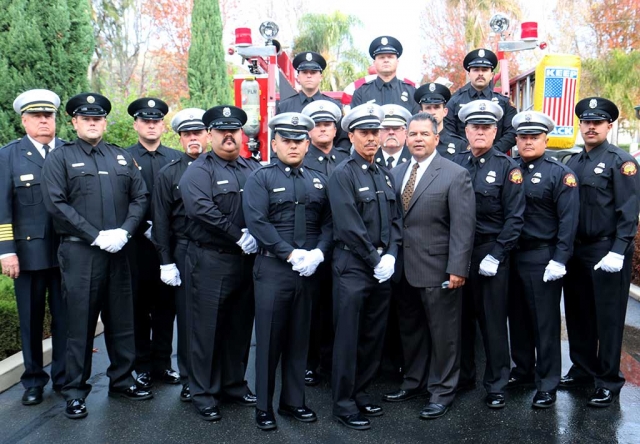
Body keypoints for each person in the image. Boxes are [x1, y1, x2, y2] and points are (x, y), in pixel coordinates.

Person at [41, 93, 151, 419]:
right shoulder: (60, 158)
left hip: (119, 250)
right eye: (86, 118)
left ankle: (122, 379)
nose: (92, 122)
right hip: (80, 251)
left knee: (122, 320)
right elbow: (55, 205)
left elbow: (140, 196)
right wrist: (96, 235)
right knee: (80, 323)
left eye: (98, 118)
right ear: (74, 122)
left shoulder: (119, 158)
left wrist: (125, 232)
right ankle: (75, 390)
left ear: (104, 121)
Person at [244, 112, 333, 431]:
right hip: (273, 268)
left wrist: (319, 253)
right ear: (275, 142)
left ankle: (294, 401)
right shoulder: (261, 177)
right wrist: (289, 252)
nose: (293, 146)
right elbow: (257, 222)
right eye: (287, 140)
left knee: (300, 338)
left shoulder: (319, 179)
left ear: (307, 144)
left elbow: (328, 222)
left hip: (308, 270)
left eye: (299, 140)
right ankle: (264, 407)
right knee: (269, 340)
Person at [384, 112, 475, 419]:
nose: (418, 139)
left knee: (444, 334)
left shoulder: (454, 173)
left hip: (439, 270)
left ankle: (442, 391)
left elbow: (463, 226)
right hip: (404, 271)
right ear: (406, 138)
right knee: (410, 331)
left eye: (425, 134)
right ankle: (414, 382)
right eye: (413, 134)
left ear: (437, 138)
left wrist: (458, 268)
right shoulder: (395, 174)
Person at [178, 105, 260, 421]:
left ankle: (233, 385)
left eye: (234, 130)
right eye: (222, 131)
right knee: (206, 330)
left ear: (241, 134)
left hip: (246, 262)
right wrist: (237, 234)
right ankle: (204, 392)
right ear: (210, 134)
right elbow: (200, 208)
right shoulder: (199, 170)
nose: (229, 136)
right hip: (210, 260)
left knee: (239, 328)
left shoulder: (251, 168)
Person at [327, 104, 403, 430]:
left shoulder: (383, 174)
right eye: (365, 133)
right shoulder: (342, 174)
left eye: (376, 132)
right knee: (348, 337)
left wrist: (392, 256)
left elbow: (397, 220)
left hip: (382, 267)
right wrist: (375, 259)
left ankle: (361, 391)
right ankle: (344, 403)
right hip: (353, 267)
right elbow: (348, 226)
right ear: (352, 135)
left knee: (373, 335)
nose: (372, 138)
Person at [563, 97, 640, 407]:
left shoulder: (622, 162)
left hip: (606, 251)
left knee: (607, 319)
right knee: (578, 313)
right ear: (580, 125)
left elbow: (628, 211)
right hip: (577, 251)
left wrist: (619, 251)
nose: (591, 127)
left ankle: (608, 379)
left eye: (597, 122)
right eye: (586, 122)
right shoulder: (573, 162)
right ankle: (582, 368)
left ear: (609, 125)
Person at [453, 100, 525, 409]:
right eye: (474, 128)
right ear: (466, 131)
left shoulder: (508, 168)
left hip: (490, 252)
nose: (480, 133)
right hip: (459, 253)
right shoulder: (455, 164)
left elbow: (515, 218)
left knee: (493, 321)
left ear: (495, 131)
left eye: (486, 128)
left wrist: (496, 254)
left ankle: (496, 383)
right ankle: (464, 376)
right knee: (461, 320)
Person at [507, 111, 579, 409]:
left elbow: (568, 220)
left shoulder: (559, 173)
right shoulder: (509, 169)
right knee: (519, 319)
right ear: (516, 140)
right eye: (523, 137)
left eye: (534, 137)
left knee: (545, 323)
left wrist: (560, 258)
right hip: (513, 254)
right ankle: (523, 371)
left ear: (545, 140)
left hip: (543, 256)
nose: (527, 142)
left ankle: (547, 382)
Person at [0, 89, 66, 406]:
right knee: (30, 320)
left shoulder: (68, 151)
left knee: (66, 319)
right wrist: (6, 250)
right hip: (28, 255)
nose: (43, 120)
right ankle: (34, 380)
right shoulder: (8, 155)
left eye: (48, 115)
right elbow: (2, 208)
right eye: (37, 116)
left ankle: (66, 377)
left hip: (68, 253)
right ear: (25, 120)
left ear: (56, 118)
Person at [151, 108, 209, 402]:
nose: (193, 138)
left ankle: (217, 376)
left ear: (207, 135)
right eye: (187, 134)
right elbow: (160, 221)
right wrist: (166, 261)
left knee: (216, 316)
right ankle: (189, 378)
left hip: (216, 252)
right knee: (187, 318)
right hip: (184, 250)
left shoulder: (221, 166)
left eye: (198, 132)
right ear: (181, 138)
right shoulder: (169, 172)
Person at [125, 97, 182, 390]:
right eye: (145, 121)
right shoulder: (122, 158)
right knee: (137, 307)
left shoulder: (175, 158)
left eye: (156, 121)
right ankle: (142, 365)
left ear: (163, 125)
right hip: (135, 246)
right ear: (136, 124)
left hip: (167, 247)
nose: (151, 125)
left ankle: (163, 364)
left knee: (165, 307)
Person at [300, 100, 349, 386]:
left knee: (337, 307)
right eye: (317, 125)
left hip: (344, 245)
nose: (322, 129)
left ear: (335, 129)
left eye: (328, 124)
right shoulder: (301, 159)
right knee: (311, 308)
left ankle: (332, 361)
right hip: (313, 244)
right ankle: (308, 362)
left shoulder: (346, 158)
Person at [444, 49, 517, 154]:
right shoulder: (454, 102)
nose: (480, 73)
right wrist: (468, 151)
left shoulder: (504, 103)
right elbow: (448, 132)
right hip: (462, 160)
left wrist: (493, 153)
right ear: (469, 73)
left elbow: (512, 132)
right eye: (476, 70)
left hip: (496, 160)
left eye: (485, 69)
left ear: (492, 74)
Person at [277, 51, 349, 150]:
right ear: (298, 77)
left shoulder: (334, 106)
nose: (309, 76)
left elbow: (343, 140)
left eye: (313, 72)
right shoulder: (285, 107)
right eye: (305, 72)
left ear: (321, 77)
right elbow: (277, 140)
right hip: (295, 163)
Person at [350, 36, 420, 115]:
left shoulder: (412, 92)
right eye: (381, 57)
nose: (386, 60)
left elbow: (416, 123)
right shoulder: (361, 93)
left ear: (397, 62)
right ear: (374, 63)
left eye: (390, 57)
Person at [414, 82, 468, 160]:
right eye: (428, 108)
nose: (432, 112)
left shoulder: (459, 145)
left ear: (445, 111)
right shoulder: (415, 143)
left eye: (437, 107)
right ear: (421, 113)